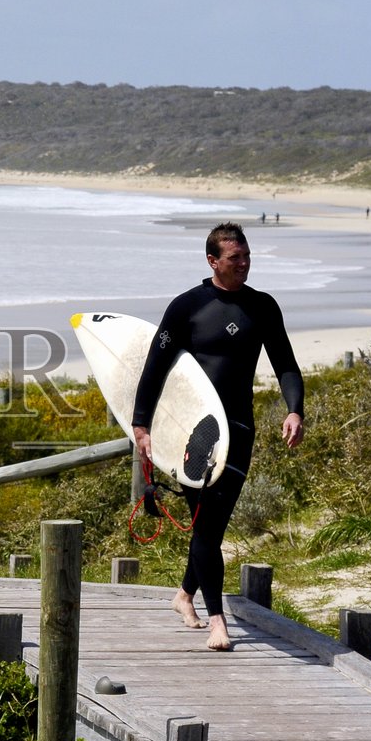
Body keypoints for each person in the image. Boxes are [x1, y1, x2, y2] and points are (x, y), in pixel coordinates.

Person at [131, 223, 304, 652]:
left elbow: (286, 363)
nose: (244, 264)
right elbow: (154, 366)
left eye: (246, 256)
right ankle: (217, 622)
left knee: (214, 525)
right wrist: (141, 424)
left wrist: (294, 409)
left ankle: (184, 595)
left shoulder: (262, 306)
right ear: (213, 261)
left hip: (240, 429)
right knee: (207, 529)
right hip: (194, 433)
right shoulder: (186, 307)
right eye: (234, 258)